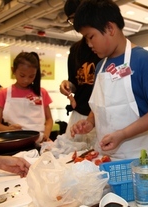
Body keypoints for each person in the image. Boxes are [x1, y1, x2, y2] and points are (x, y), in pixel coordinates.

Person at [70, 0, 148, 160]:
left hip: (136, 157)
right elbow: (99, 106)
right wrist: (90, 122)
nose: (89, 44)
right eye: (86, 39)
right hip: (105, 155)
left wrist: (123, 134)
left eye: (91, 37)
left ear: (110, 28)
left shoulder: (143, 60)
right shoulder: (100, 66)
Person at [59, 0, 101, 146]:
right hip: (80, 113)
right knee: (72, 155)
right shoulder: (76, 49)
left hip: (101, 114)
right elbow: (75, 83)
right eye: (72, 19)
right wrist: (67, 86)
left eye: (78, 16)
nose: (76, 23)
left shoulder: (105, 45)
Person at [0, 52, 53, 143]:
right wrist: (9, 129)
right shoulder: (4, 93)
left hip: (39, 139)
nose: (26, 80)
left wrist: (46, 133)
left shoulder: (42, 93)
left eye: (31, 76)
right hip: (15, 140)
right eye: (22, 75)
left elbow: (49, 119)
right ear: (13, 70)